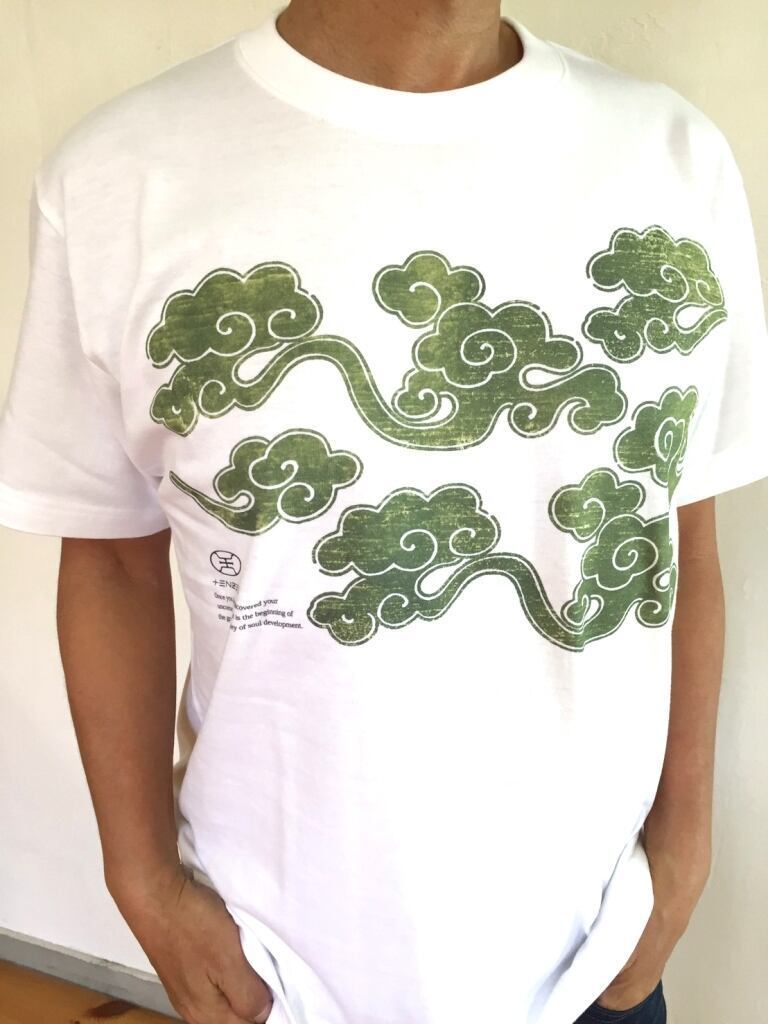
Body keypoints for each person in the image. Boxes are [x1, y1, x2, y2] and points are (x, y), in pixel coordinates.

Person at [1, 1, 767, 1022]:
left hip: (593, 948)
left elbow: (681, 533)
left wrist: (682, 847)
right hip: (278, 961)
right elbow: (109, 559)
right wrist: (139, 878)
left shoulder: (673, 157)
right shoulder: (119, 176)